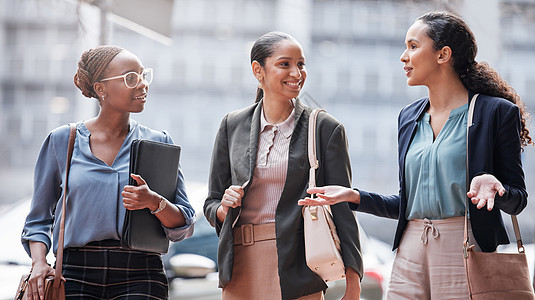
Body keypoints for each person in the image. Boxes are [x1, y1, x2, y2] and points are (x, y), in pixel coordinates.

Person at [299, 11, 531, 299]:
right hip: (409, 251)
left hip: (465, 250)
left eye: (413, 46)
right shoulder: (409, 117)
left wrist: (496, 189)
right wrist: (353, 196)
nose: (403, 57)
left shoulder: (494, 112)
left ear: (443, 54)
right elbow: (406, 204)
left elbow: (517, 198)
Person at [21, 45, 195, 299]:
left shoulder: (159, 144)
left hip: (141, 272)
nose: (143, 84)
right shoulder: (62, 141)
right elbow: (38, 220)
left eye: (144, 75)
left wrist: (153, 202)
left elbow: (183, 226)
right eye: (131, 78)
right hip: (74, 272)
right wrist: (39, 262)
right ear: (101, 88)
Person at [204, 31, 363, 300]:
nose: (297, 72)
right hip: (239, 264)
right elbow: (211, 203)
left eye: (301, 64)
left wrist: (353, 279)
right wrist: (223, 208)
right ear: (258, 70)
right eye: (285, 64)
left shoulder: (324, 128)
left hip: (297, 266)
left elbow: (342, 207)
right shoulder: (232, 125)